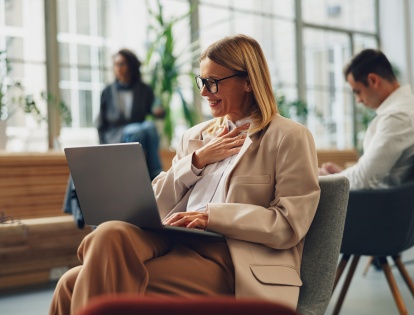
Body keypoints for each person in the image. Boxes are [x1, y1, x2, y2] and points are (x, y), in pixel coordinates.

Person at [49, 34, 320, 315]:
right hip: (174, 240)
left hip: (233, 259)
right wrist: (196, 161)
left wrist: (211, 216)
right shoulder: (195, 137)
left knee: (71, 284)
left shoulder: (288, 137)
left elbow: (288, 225)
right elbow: (155, 203)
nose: (204, 92)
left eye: (213, 82)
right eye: (202, 82)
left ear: (248, 81)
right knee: (108, 233)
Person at [319, 49, 414, 189]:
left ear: (373, 80)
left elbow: (364, 179)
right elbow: (372, 174)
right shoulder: (410, 107)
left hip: (383, 206)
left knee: (314, 190)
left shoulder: (398, 116)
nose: (358, 100)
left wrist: (327, 180)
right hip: (394, 201)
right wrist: (342, 174)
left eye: (358, 91)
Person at [97, 48, 164, 179]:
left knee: (149, 126)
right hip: (115, 134)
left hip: (139, 130)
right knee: (137, 130)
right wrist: (101, 150)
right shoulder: (107, 91)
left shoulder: (144, 89)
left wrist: (159, 112)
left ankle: (156, 173)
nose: (117, 68)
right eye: (115, 64)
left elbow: (156, 111)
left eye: (121, 64)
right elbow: (101, 122)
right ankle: (143, 175)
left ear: (131, 66)